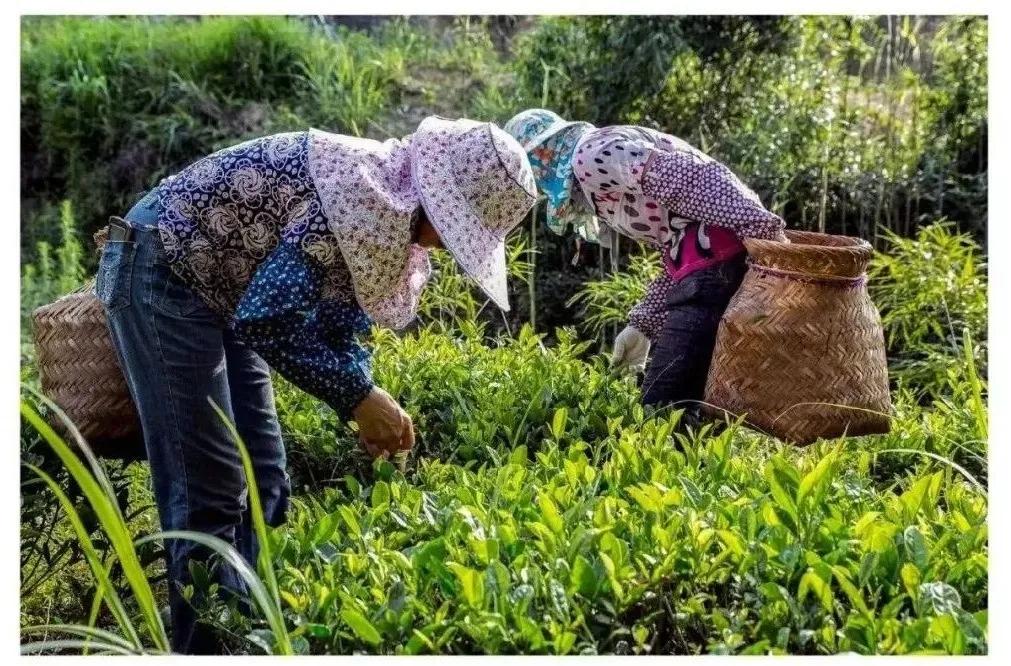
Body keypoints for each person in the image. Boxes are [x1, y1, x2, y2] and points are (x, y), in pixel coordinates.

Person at [96, 117, 536, 653]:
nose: (449, 244)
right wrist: (356, 398)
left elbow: (333, 320)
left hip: (227, 285)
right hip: (164, 263)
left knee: (265, 477)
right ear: (435, 199)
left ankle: (246, 631)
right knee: (208, 490)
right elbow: (268, 320)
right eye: (458, 226)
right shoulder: (358, 192)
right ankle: (205, 648)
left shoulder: (386, 206)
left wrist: (366, 394)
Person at [504, 109, 787, 423]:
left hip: (716, 265)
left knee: (661, 410)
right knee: (691, 410)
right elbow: (676, 246)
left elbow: (689, 175)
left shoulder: (589, 155)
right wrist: (643, 325)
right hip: (709, 269)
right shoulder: (598, 158)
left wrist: (763, 228)